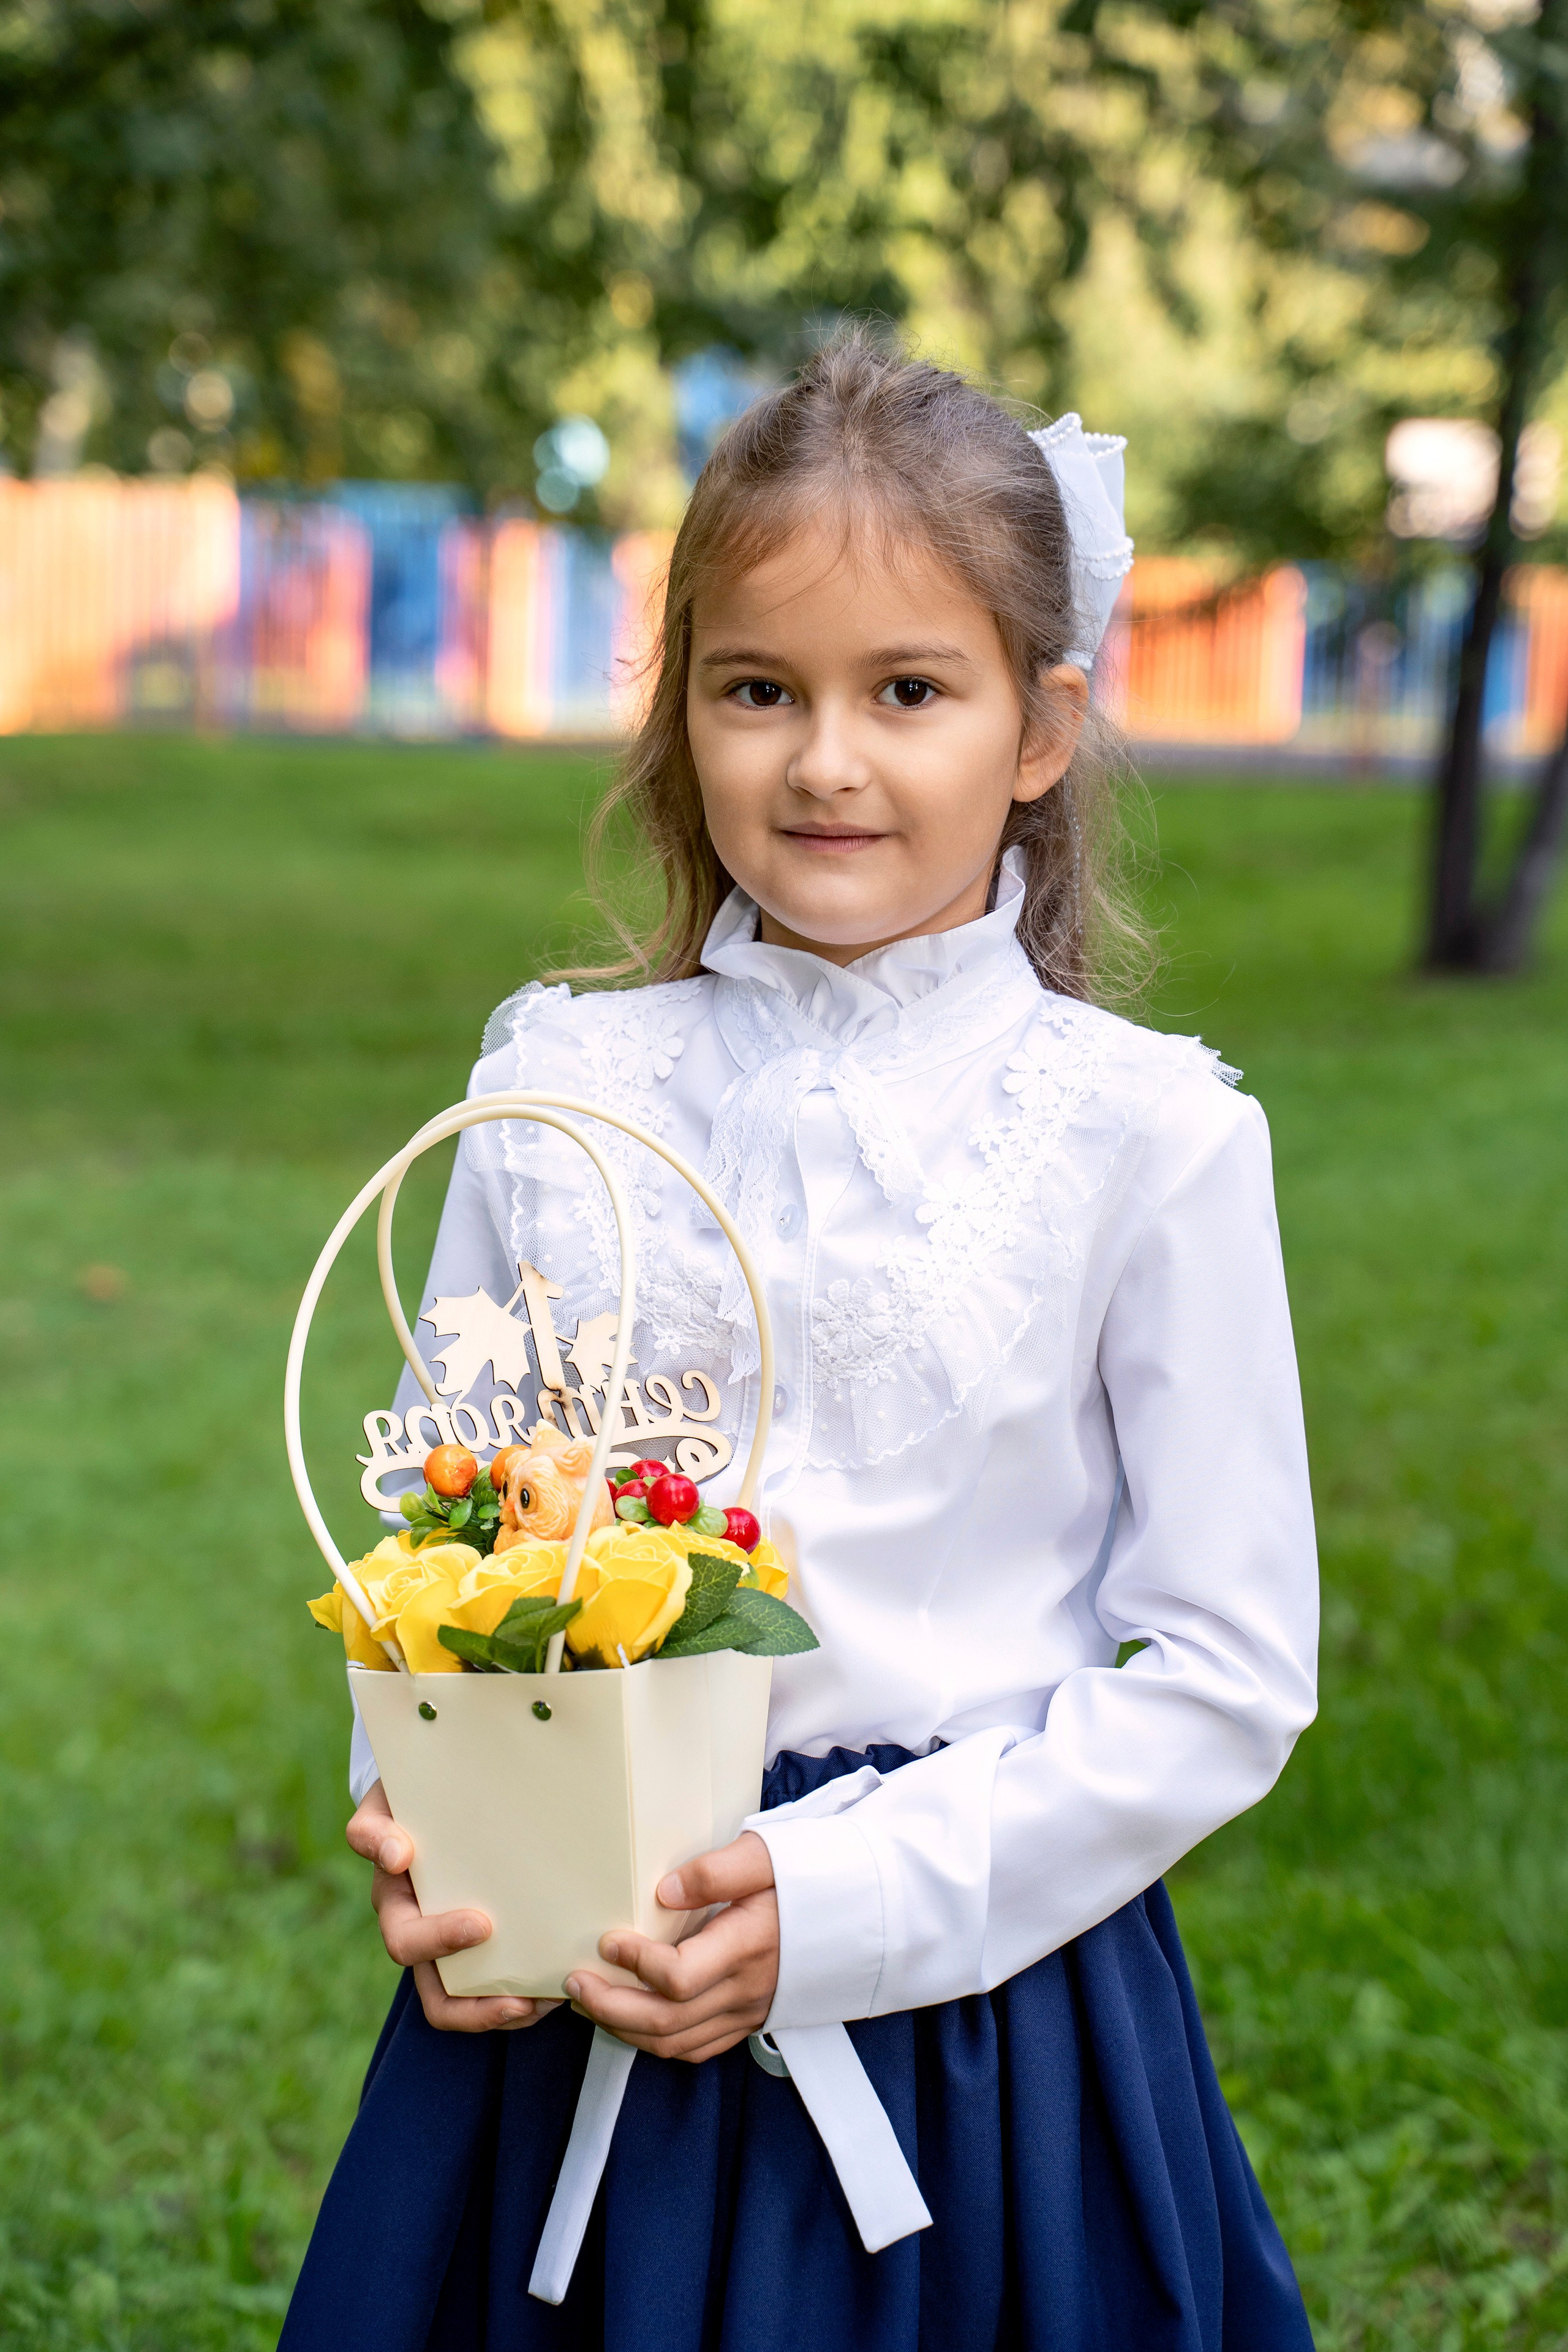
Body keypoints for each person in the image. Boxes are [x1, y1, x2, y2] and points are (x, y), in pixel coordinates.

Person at [281, 331, 1318, 2352]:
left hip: (979, 2036)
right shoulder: (557, 1088)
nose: (826, 761)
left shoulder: (1149, 1136)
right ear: (682, 708)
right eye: (759, 689)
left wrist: (845, 1909)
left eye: (907, 691)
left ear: (1042, 726)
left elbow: (1227, 1672)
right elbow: (429, 1544)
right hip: (574, 1995)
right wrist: (437, 1832)